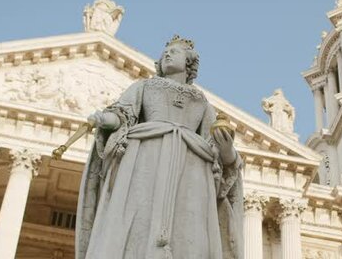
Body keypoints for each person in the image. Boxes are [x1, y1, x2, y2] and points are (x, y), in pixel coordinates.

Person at [75, 35, 243, 259]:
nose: (167, 54)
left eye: (174, 52)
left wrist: (227, 150)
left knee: (189, 223)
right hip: (145, 157)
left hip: (191, 166)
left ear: (189, 63)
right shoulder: (144, 86)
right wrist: (106, 120)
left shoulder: (202, 101)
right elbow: (123, 115)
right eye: (165, 52)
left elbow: (217, 149)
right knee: (137, 215)